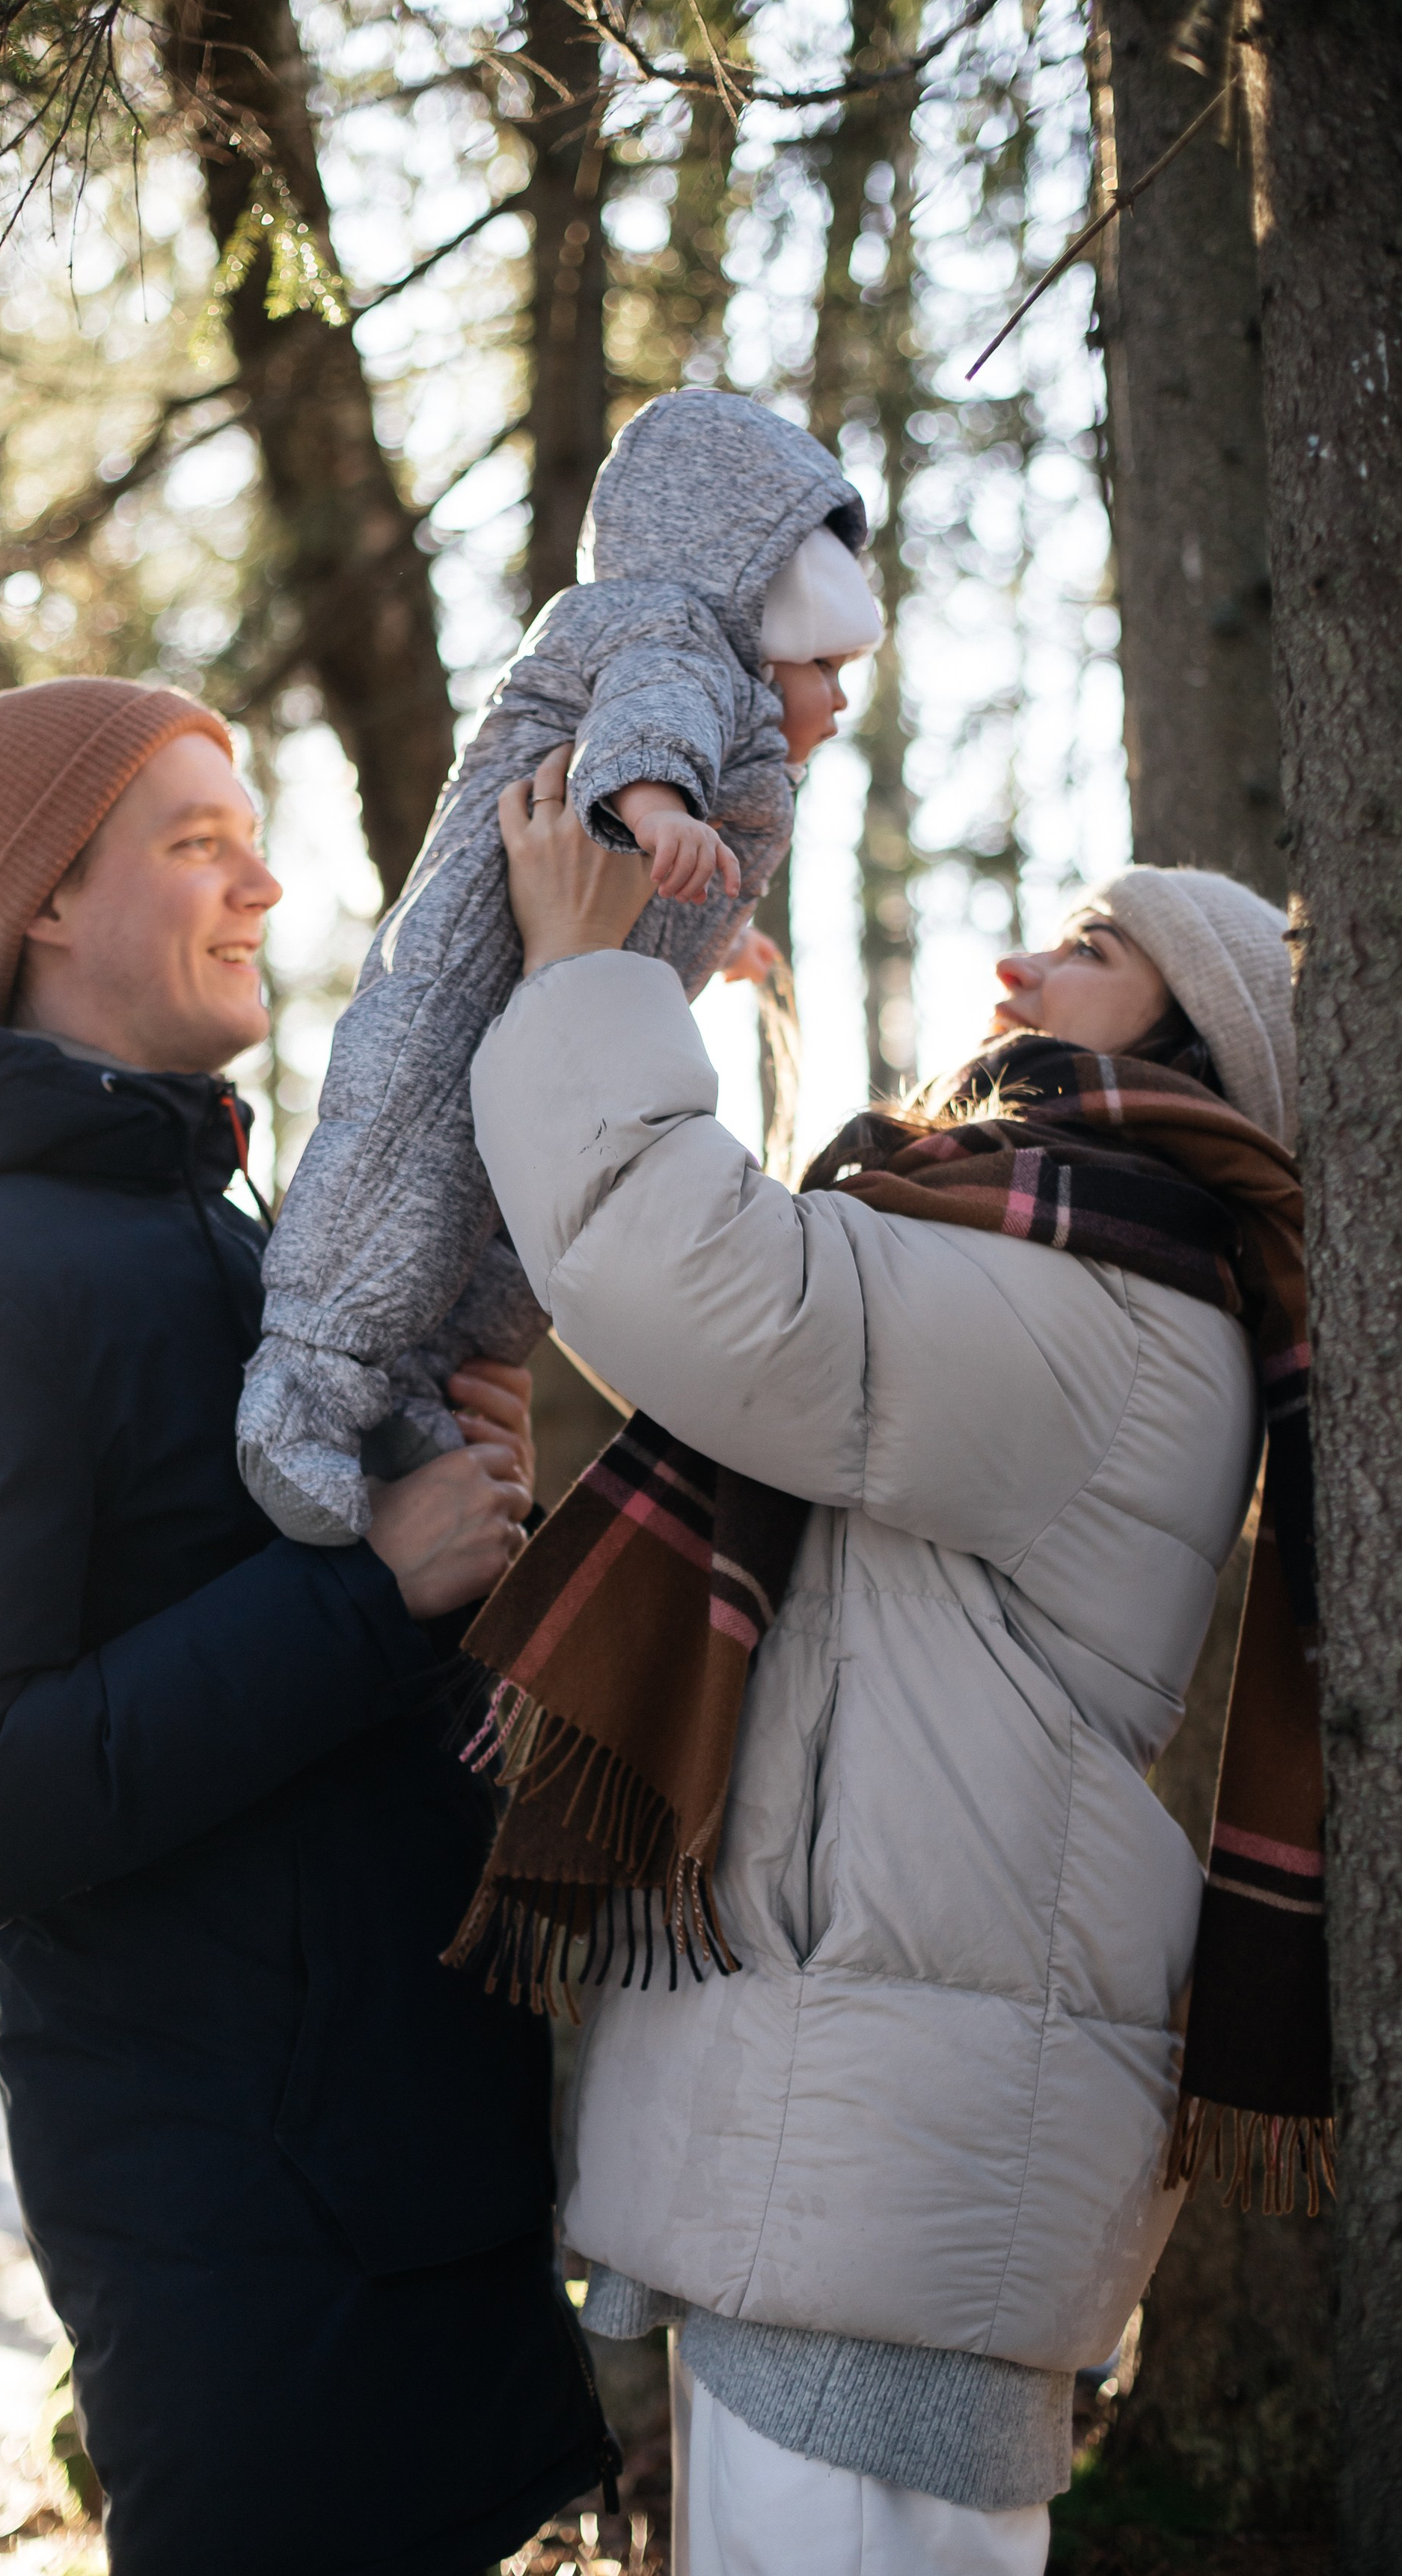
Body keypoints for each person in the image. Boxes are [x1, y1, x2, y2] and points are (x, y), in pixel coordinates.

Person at [0, 678, 614, 2576]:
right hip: (249, 2266)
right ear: (46, 900)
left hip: (423, 2203)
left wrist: (461, 1528)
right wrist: (362, 1578)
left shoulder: (228, 1239)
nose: (264, 879)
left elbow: (316, 1704)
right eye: (195, 838)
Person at [467, 751, 1299, 2576]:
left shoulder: (1116, 1307)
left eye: (1090, 946)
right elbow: (809, 1342)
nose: (1017, 975)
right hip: (865, 2140)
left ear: (1195, 1040)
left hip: (879, 2165)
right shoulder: (1077, 1275)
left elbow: (725, 1297)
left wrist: (592, 977)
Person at [236, 385, 881, 1549]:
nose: (838, 698)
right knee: (403, 1176)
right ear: (765, 618)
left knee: (512, 1253)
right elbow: (646, 720)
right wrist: (655, 806)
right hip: (464, 979)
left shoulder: (738, 722)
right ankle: (304, 1391)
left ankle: (415, 1395)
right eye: (828, 663)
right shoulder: (665, 638)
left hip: (549, 1005)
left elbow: (661, 895)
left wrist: (722, 938)